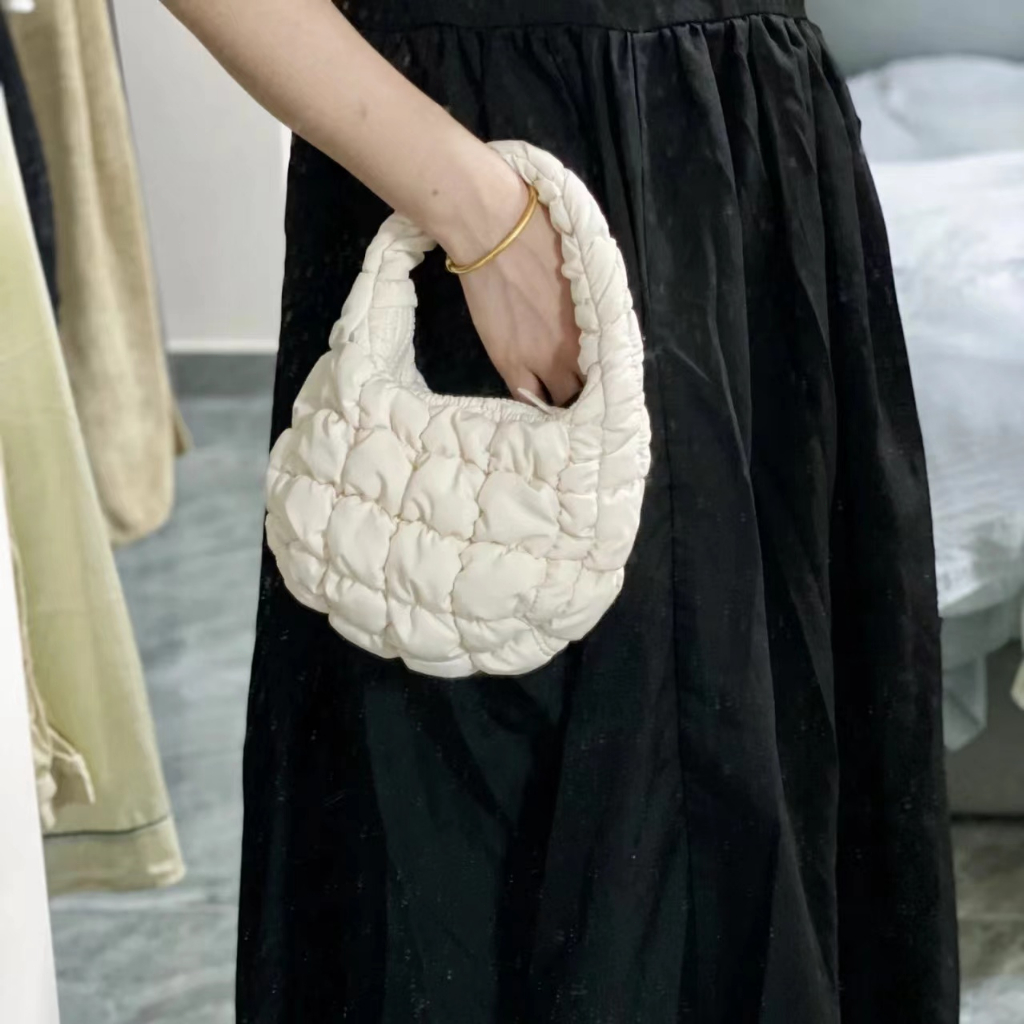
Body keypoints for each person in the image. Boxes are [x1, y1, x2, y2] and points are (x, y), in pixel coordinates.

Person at [165, 1, 959, 1021]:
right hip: (485, 177)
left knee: (772, 815)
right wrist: (482, 218)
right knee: (476, 855)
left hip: (751, 165)